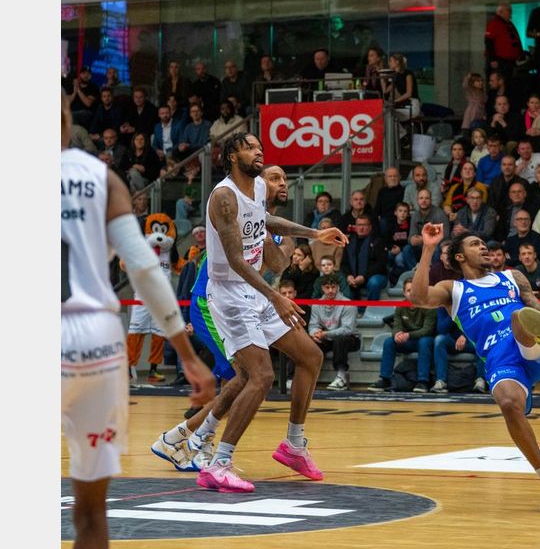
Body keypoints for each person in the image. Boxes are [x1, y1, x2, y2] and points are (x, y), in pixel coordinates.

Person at [62, 103, 214, 549]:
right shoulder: (101, 178)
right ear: (68, 121)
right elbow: (145, 268)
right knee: (91, 514)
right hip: (96, 340)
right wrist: (186, 355)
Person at [194, 134, 348, 493]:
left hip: (254, 291)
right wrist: (275, 296)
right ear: (233, 156)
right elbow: (235, 260)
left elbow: (266, 222)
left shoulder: (258, 188)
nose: (258, 151)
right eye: (250, 147)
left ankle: (294, 445)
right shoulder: (224, 196)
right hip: (230, 294)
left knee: (311, 356)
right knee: (260, 376)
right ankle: (219, 463)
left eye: (259, 146)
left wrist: (315, 233)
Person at [406, 224, 540, 512]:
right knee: (508, 403)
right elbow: (419, 298)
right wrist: (428, 248)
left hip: (531, 346)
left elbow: (537, 307)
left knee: (521, 317)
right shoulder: (453, 289)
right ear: (459, 257)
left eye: (483, 243)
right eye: (475, 244)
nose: (483, 247)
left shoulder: (512, 277)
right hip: (501, 359)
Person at [368, 279, 438, 392]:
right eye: (409, 291)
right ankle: (385, 379)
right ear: (404, 293)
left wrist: (408, 335)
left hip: (425, 339)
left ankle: (423, 381)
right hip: (409, 340)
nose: (412, 293)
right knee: (389, 342)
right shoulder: (400, 306)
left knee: (424, 341)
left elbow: (427, 330)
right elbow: (397, 326)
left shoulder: (428, 306)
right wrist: (397, 334)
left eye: (414, 290)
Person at [309, 273, 360, 390]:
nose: (331, 290)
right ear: (322, 288)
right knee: (311, 342)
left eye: (333, 287)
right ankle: (306, 376)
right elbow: (313, 325)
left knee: (339, 340)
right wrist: (315, 334)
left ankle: (341, 376)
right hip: (327, 337)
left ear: (338, 287)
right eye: (327, 287)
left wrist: (326, 333)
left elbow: (348, 329)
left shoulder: (348, 304)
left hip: (350, 338)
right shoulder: (316, 304)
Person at [484, 2, 523, 79]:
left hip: (509, 62)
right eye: (508, 10)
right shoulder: (494, 24)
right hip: (500, 62)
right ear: (500, 12)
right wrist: (492, 59)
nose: (511, 13)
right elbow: (488, 42)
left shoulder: (509, 24)